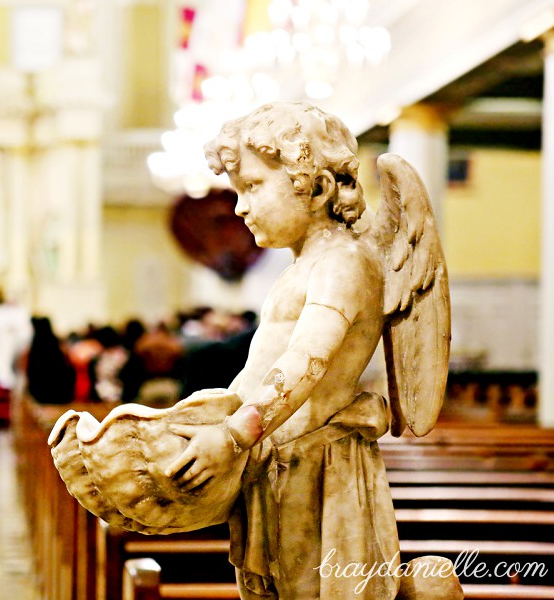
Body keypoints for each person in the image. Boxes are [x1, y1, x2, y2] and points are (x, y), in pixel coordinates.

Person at [165, 102, 399, 599]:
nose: (239, 207)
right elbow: (258, 371)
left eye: (252, 186)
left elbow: (304, 364)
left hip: (318, 474)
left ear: (313, 185)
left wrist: (231, 436)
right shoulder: (302, 269)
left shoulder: (344, 264)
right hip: (276, 461)